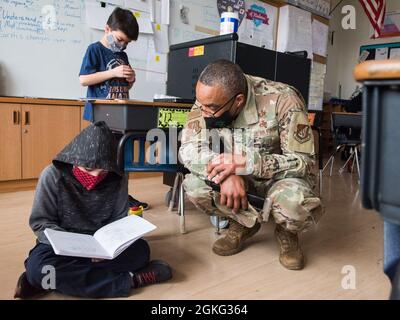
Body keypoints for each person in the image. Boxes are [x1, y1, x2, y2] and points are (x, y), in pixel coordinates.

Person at [179, 60, 323, 270]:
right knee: (194, 186)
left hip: (279, 180)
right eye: (200, 104)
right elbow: (189, 149)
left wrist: (250, 163)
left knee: (295, 205)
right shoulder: (208, 101)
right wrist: (226, 174)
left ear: (238, 100)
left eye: (210, 108)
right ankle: (244, 222)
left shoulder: (283, 98)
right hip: (239, 179)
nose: (203, 113)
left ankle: (287, 232)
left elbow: (304, 163)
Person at [14, 122, 171, 299]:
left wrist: (111, 246)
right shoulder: (52, 175)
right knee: (40, 267)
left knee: (141, 252)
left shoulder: (117, 179)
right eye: (88, 168)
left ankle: (48, 281)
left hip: (102, 245)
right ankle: (131, 280)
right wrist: (73, 248)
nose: (96, 176)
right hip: (61, 244)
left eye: (103, 170)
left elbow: (118, 220)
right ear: (73, 160)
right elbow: (41, 222)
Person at [79, 6, 147, 209]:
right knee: (101, 161)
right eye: (119, 39)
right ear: (107, 29)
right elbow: (83, 79)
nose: (122, 45)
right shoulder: (95, 50)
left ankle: (121, 196)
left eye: (126, 43)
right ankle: (99, 198)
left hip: (120, 117)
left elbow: (122, 85)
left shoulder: (122, 56)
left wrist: (131, 79)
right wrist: (113, 72)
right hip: (101, 116)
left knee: (120, 161)